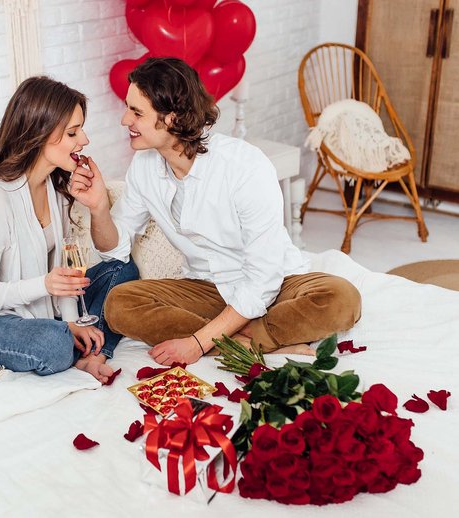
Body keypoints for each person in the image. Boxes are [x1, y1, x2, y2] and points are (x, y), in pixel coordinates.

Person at [69, 57, 362, 366]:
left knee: (342, 298)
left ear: (172, 118)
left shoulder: (244, 166)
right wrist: (99, 206)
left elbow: (264, 277)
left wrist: (197, 343)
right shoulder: (144, 167)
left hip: (276, 285)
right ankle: (254, 343)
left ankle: (228, 339)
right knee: (120, 304)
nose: (125, 120)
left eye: (136, 112)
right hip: (206, 288)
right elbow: (114, 250)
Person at [0, 76, 138, 383]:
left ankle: (90, 353)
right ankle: (74, 345)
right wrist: (46, 287)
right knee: (53, 344)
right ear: (41, 133)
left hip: (45, 312)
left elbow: (66, 276)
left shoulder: (53, 189)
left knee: (122, 271)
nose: (84, 140)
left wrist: (73, 323)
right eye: (73, 132)